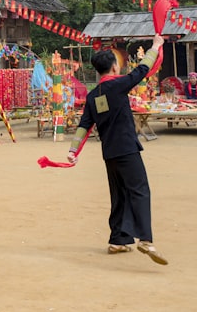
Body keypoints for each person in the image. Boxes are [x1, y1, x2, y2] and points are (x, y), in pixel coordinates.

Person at [66, 33, 167, 266]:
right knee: (140, 191)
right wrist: (155, 46)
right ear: (114, 67)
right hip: (127, 149)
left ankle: (118, 240)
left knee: (119, 194)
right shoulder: (118, 85)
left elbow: (84, 125)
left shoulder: (94, 95)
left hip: (109, 153)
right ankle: (145, 239)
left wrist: (73, 151)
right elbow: (142, 69)